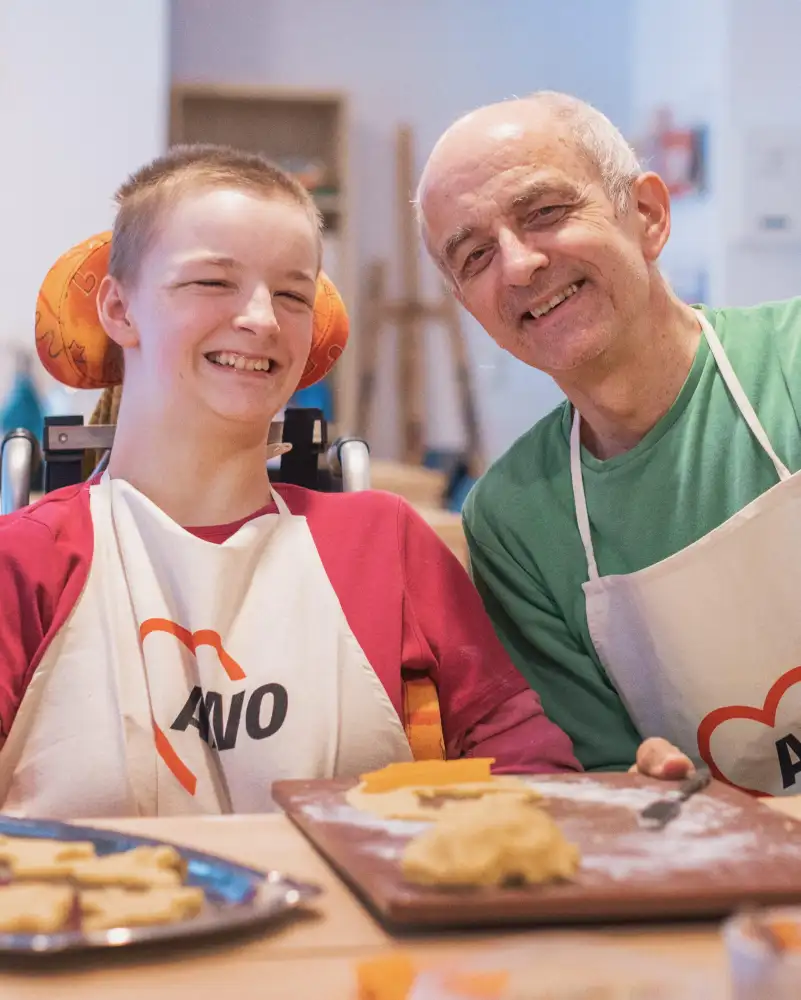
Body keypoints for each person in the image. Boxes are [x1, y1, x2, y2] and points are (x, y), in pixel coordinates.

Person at [0, 145, 582, 820]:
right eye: (212, 282)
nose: (261, 319)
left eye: (291, 294)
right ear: (120, 310)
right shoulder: (27, 560)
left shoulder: (384, 546)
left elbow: (528, 774)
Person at [417, 91, 801, 796]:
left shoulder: (791, 359)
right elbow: (609, 779)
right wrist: (638, 787)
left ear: (647, 216)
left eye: (544, 213)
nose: (518, 265)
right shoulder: (513, 519)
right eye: (473, 256)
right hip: (728, 883)